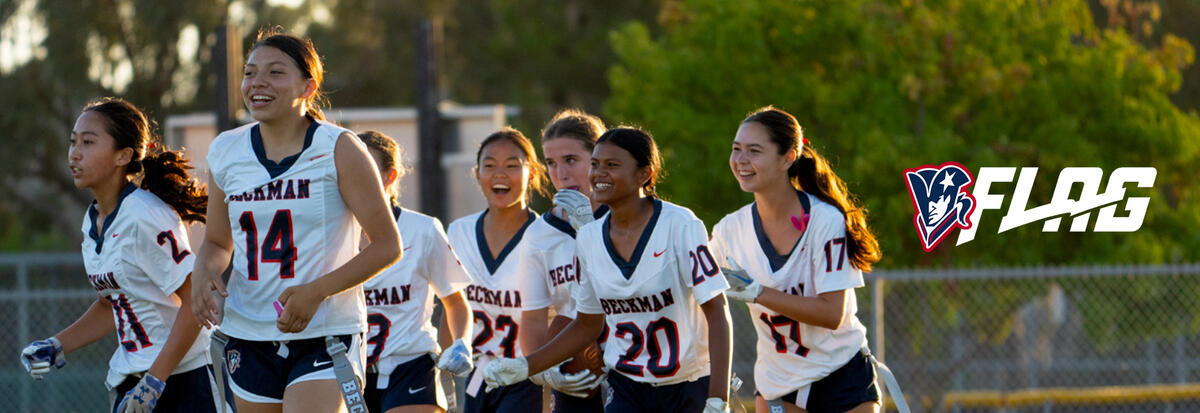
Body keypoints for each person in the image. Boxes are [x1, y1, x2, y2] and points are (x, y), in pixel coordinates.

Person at [189, 29, 402, 413]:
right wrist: (203, 272)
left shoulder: (339, 147)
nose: (258, 83)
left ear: (308, 86)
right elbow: (219, 243)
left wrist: (316, 291)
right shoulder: (225, 150)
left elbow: (388, 245)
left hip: (325, 332)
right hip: (247, 331)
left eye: (275, 72)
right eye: (250, 72)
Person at [484, 127, 734, 413]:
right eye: (595, 164)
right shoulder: (589, 237)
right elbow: (587, 324)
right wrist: (526, 366)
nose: (598, 173)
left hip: (687, 384)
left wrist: (718, 398)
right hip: (627, 388)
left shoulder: (680, 225)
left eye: (612, 165)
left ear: (644, 174)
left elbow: (716, 311)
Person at [19, 97, 224, 413]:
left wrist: (155, 381)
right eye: (73, 142)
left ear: (124, 155)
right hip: (133, 377)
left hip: (185, 378)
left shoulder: (145, 215)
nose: (74, 152)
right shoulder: (92, 220)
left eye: (89, 142)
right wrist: (57, 344)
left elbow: (194, 302)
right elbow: (111, 302)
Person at [710, 106, 882, 413]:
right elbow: (691, 286)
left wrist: (759, 293)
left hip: (840, 372)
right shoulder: (728, 232)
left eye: (754, 150)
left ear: (788, 157)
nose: (740, 160)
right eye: (736, 149)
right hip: (778, 381)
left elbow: (832, 314)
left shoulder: (825, 221)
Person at [357, 130, 474, 413]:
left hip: (411, 365)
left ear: (390, 177)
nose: (356, 180)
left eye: (367, 170)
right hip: (346, 368)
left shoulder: (422, 229)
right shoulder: (330, 232)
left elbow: (455, 302)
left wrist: (461, 343)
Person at [445, 128, 547, 413]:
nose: (500, 174)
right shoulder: (459, 231)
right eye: (490, 165)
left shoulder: (547, 238)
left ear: (533, 173)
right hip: (477, 374)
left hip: (528, 376)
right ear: (476, 173)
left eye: (512, 165)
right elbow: (450, 306)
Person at [517, 110, 609, 412]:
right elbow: (533, 317)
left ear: (600, 159)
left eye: (571, 160)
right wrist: (543, 370)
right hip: (577, 366)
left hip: (637, 362)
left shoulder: (626, 217)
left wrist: (592, 235)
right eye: (551, 163)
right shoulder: (539, 235)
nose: (560, 174)